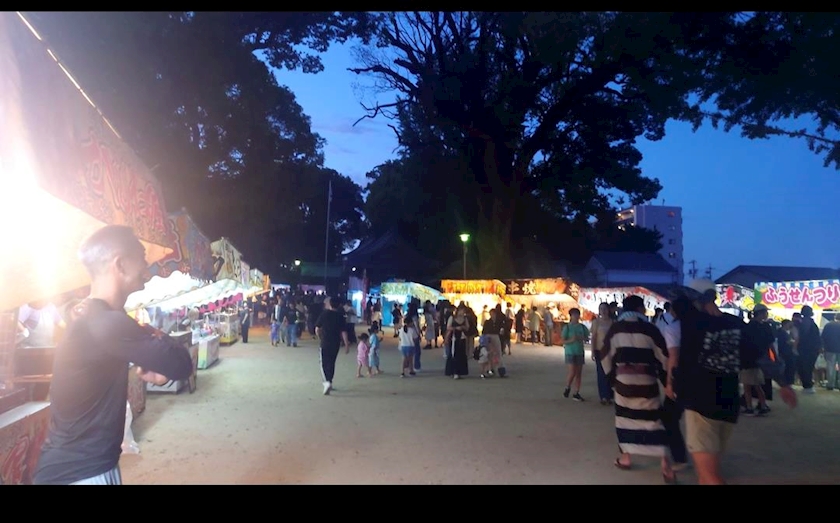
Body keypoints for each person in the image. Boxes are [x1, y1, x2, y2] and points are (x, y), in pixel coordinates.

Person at [33, 225, 194, 485]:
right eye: (141, 256)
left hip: (81, 468)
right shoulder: (106, 323)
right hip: (80, 473)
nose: (146, 265)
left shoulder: (95, 318)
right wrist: (153, 333)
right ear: (120, 265)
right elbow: (182, 364)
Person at [668, 279, 797, 485]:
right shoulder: (736, 324)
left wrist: (701, 300)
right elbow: (760, 355)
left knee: (709, 476)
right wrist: (784, 384)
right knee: (707, 472)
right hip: (728, 403)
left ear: (696, 300)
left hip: (701, 404)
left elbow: (676, 296)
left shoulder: (693, 320)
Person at [600, 295, 676, 484]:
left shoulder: (615, 329)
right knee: (654, 421)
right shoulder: (650, 329)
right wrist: (665, 380)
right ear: (641, 309)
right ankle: (665, 465)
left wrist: (612, 379)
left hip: (623, 383)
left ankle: (626, 458)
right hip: (647, 383)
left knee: (625, 419)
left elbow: (605, 356)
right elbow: (664, 356)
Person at [315, 296, 350, 395]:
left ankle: (327, 382)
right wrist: (346, 344)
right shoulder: (340, 316)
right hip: (336, 343)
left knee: (324, 363)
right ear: (339, 305)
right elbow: (343, 332)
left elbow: (317, 329)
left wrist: (320, 337)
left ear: (329, 304)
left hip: (325, 342)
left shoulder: (324, 314)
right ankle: (330, 380)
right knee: (331, 362)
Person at [561, 308, 589, 401]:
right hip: (570, 352)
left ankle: (576, 392)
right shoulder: (567, 327)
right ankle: (568, 386)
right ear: (571, 316)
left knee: (579, 373)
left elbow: (587, 338)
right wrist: (571, 340)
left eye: (577, 314)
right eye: (574, 315)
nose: (576, 316)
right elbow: (563, 340)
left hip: (579, 351)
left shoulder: (582, 327)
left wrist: (582, 338)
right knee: (572, 371)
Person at [590, 302, 614, 405]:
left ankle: (609, 395)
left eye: (605, 309)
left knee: (610, 373)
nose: (603, 311)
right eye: (601, 309)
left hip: (610, 351)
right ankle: (603, 396)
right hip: (599, 350)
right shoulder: (596, 322)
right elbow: (594, 337)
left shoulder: (613, 322)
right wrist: (592, 351)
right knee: (601, 373)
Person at [797, 305, 822, 394]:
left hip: (805, 349)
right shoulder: (809, 322)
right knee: (808, 367)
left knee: (805, 367)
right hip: (810, 349)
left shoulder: (803, 322)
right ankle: (808, 385)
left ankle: (807, 385)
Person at [445, 304, 471, 379]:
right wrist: (456, 328)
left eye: (464, 311)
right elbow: (448, 327)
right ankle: (453, 371)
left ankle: (460, 372)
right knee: (454, 354)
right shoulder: (452, 318)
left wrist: (463, 327)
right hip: (454, 338)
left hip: (462, 338)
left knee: (461, 355)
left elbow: (467, 327)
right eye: (462, 310)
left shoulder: (465, 318)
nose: (463, 312)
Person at [821, 314, 840, 390]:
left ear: (835, 317)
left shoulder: (828, 325)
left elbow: (823, 337)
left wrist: (823, 347)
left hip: (830, 349)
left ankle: (830, 384)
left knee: (830, 366)